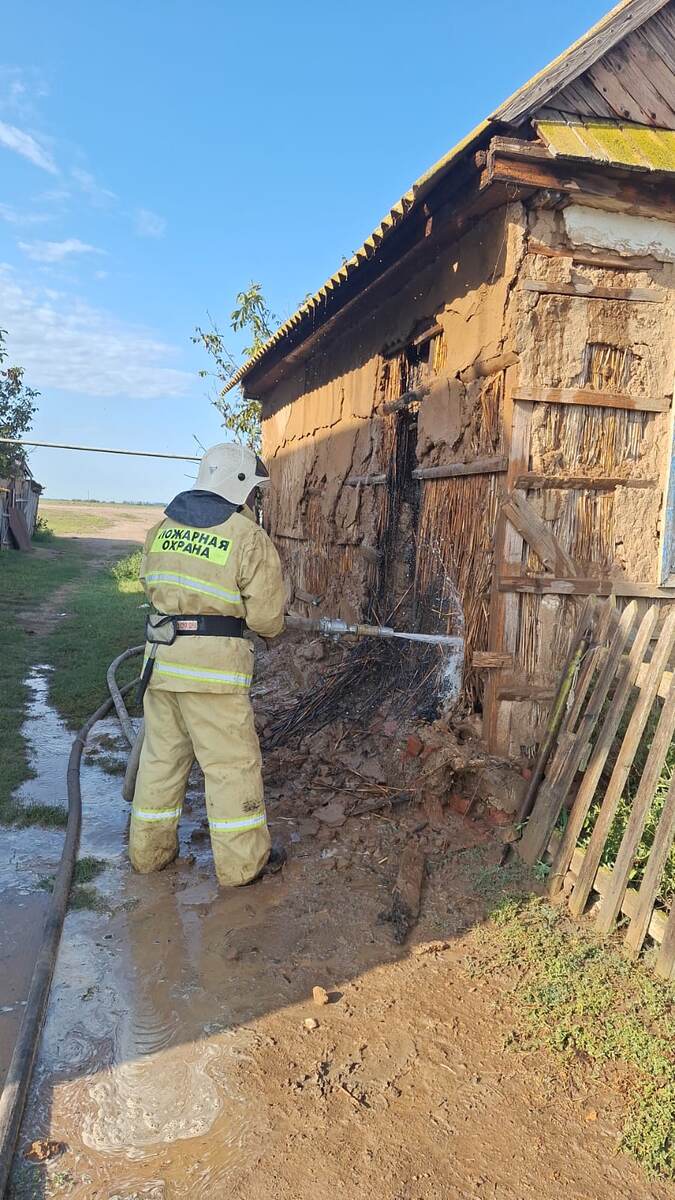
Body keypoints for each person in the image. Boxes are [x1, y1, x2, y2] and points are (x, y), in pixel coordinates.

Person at [128, 442, 286, 886]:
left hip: (161, 667)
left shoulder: (160, 530)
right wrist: (272, 630)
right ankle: (242, 868)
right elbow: (267, 617)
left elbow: (150, 586)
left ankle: (149, 855)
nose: (254, 499)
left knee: (160, 763)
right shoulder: (245, 536)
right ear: (238, 485)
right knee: (230, 768)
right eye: (253, 490)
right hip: (214, 677)